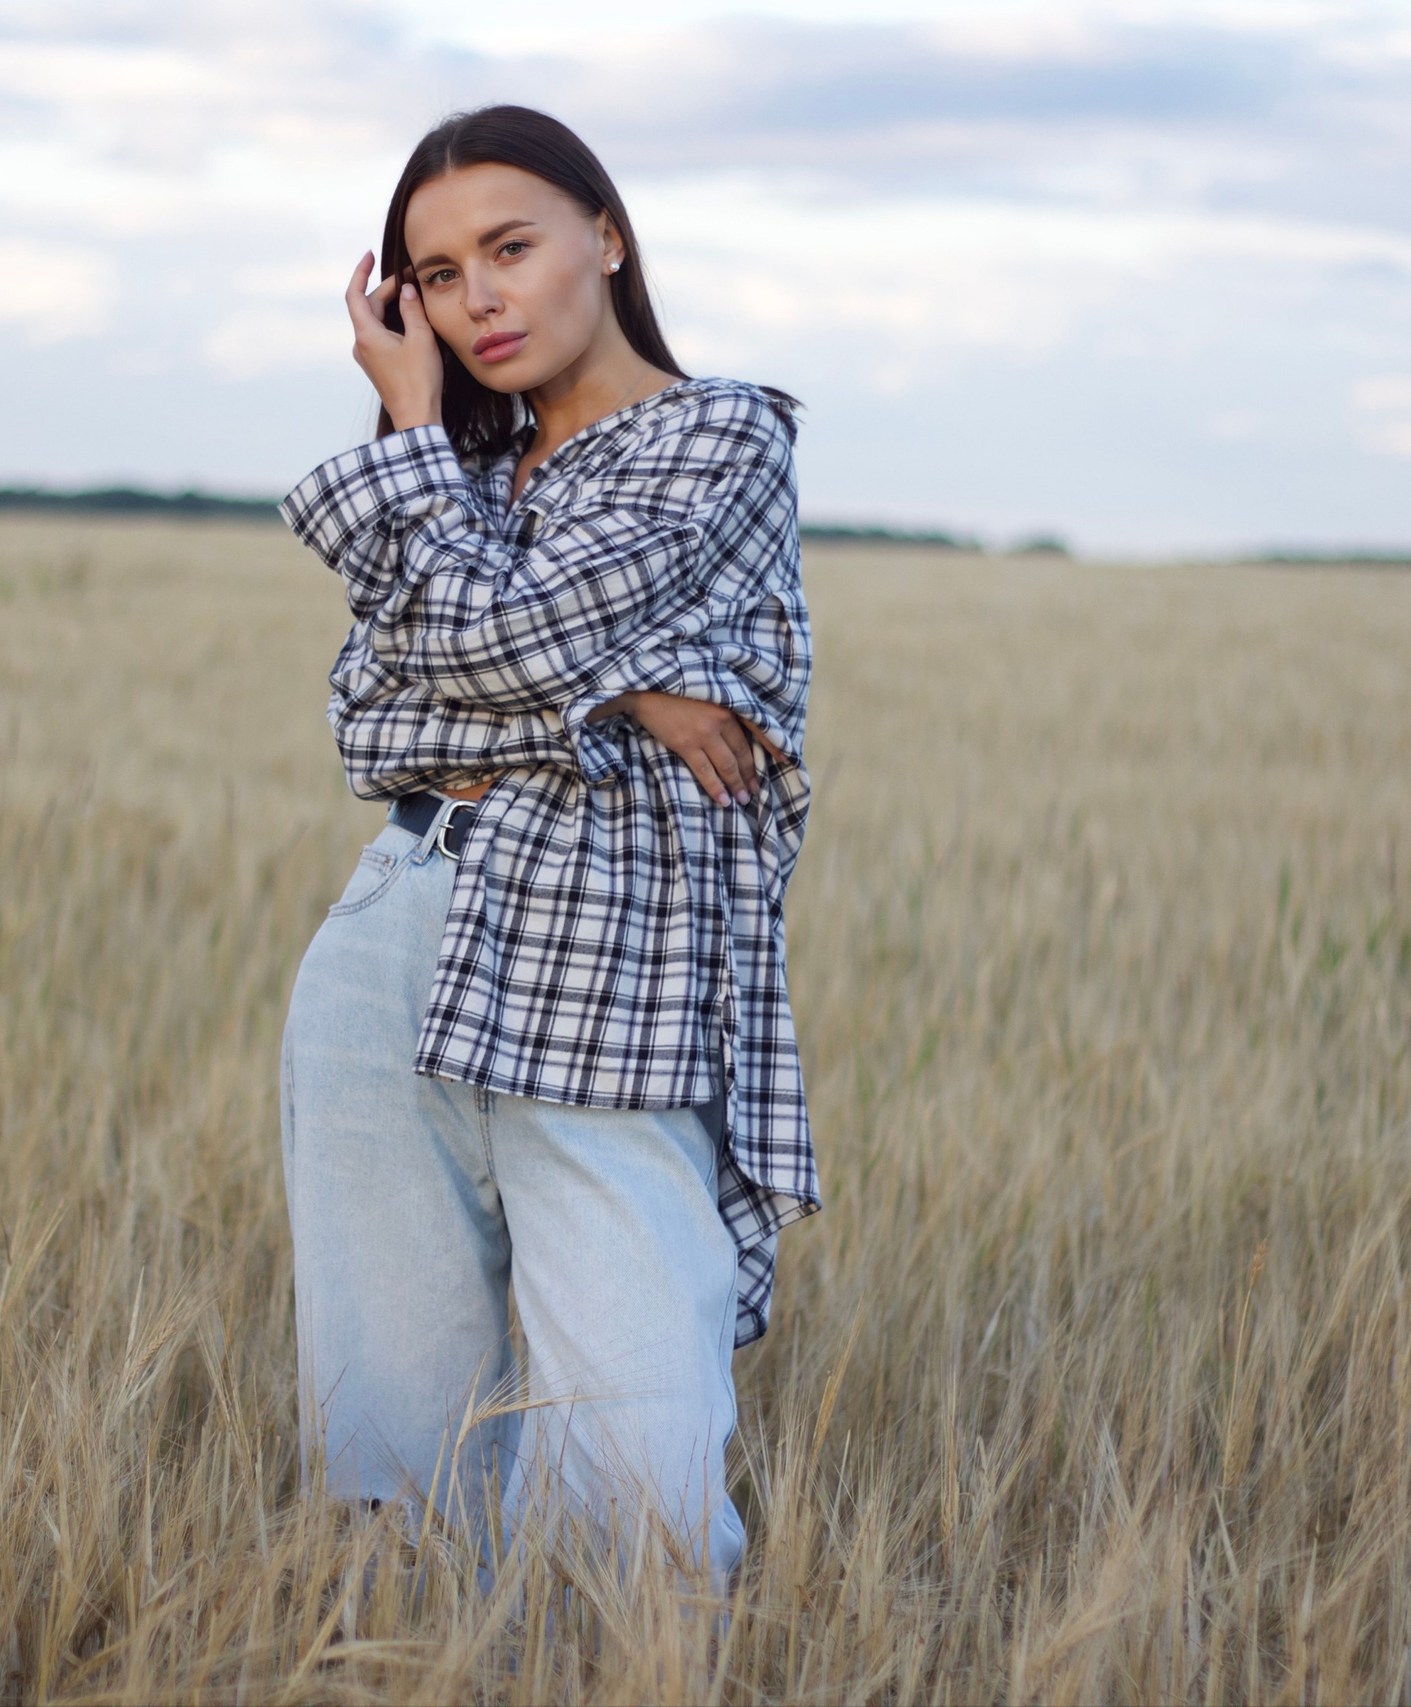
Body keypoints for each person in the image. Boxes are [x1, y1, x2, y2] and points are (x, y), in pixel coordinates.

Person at [277, 105, 818, 1586]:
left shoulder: (721, 438)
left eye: (510, 248)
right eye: (437, 276)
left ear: (609, 236)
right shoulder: (468, 473)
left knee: (636, 1467)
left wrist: (508, 635)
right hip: (399, 916)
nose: (478, 300)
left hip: (605, 948)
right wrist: (626, 681)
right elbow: (366, 721)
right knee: (399, 1444)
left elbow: (492, 640)